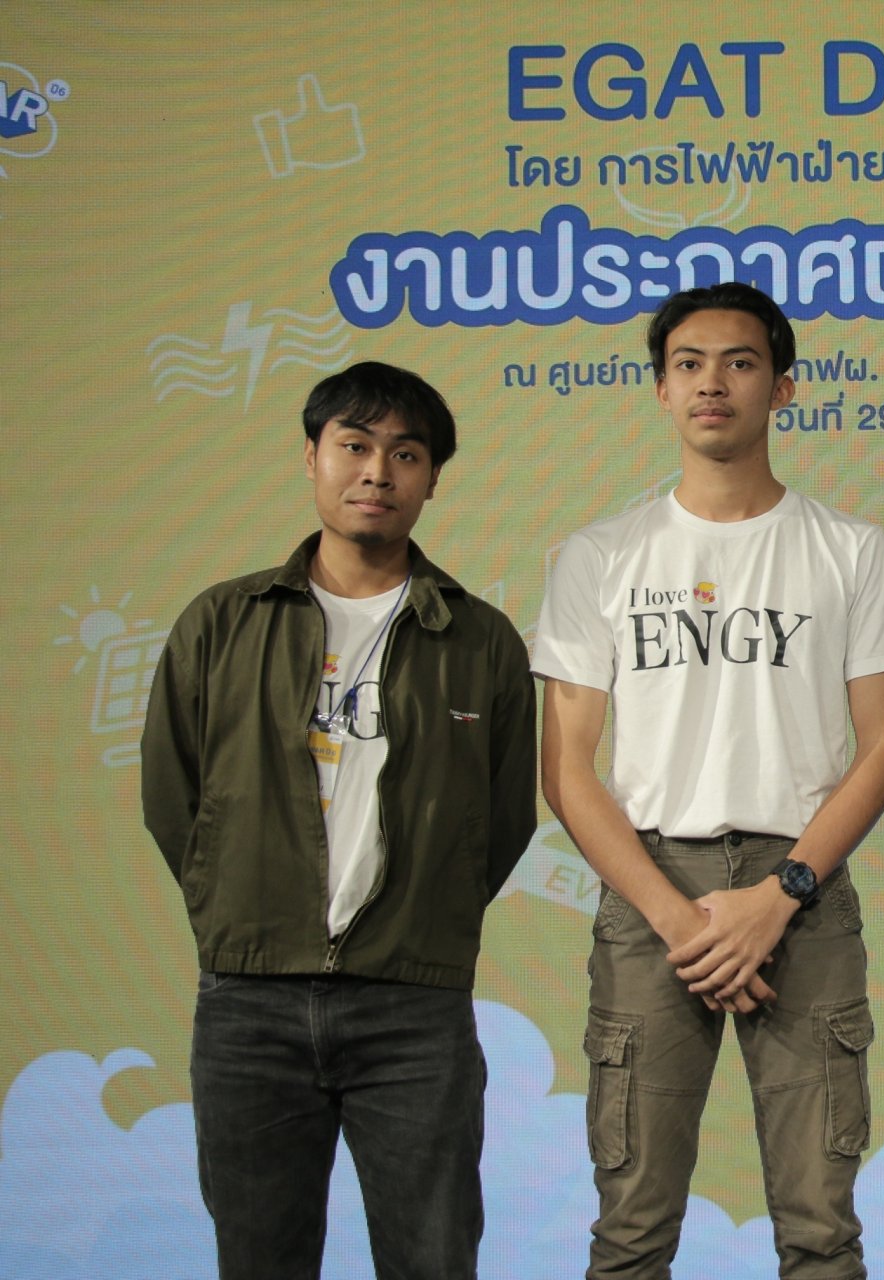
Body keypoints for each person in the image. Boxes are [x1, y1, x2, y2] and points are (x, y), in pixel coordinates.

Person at [534, 282, 884, 1280]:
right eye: (689, 364)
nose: (714, 382)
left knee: (822, 1232)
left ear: (783, 388)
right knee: (630, 1230)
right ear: (662, 390)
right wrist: (680, 921)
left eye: (741, 362)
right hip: (649, 892)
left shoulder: (850, 549)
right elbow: (566, 768)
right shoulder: (598, 556)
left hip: (803, 889)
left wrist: (779, 895)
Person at [140, 361, 538, 1278]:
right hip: (249, 1001)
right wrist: (236, 912)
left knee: (433, 1259)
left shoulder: (478, 638)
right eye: (353, 446)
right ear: (311, 457)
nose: (376, 472)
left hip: (415, 1006)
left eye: (405, 454)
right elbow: (174, 798)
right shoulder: (222, 622)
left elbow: (502, 816)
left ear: (432, 478)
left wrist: (426, 921)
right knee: (259, 1259)